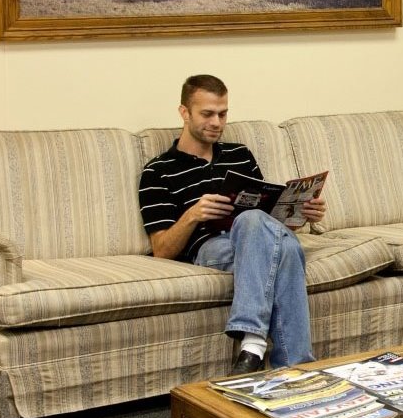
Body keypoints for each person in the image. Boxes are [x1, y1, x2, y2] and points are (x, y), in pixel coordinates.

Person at [138, 74, 327, 375]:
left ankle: (256, 351)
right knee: (280, 245)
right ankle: (293, 364)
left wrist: (301, 213)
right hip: (211, 248)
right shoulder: (158, 172)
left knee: (270, 234)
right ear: (184, 112)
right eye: (207, 114)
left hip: (256, 240)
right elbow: (162, 250)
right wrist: (192, 215)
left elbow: (269, 222)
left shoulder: (240, 155)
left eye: (223, 114)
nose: (216, 122)